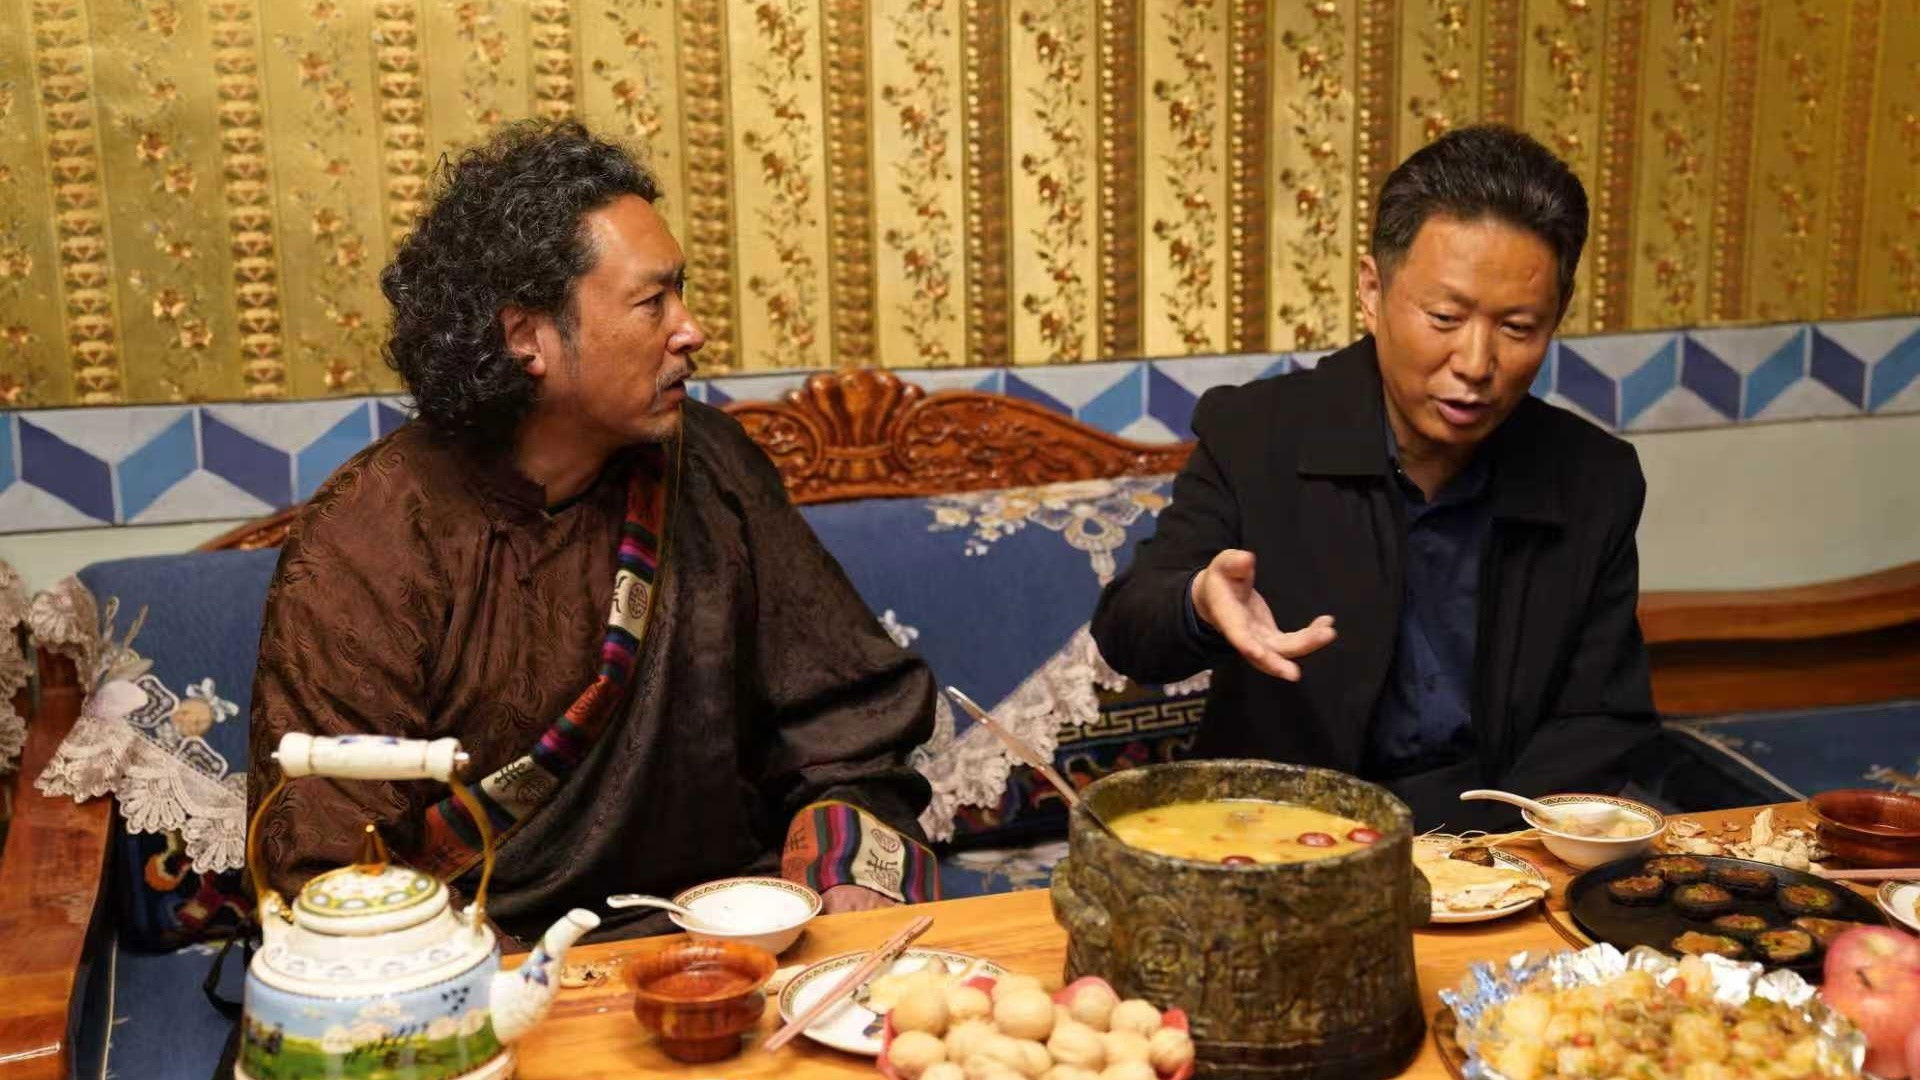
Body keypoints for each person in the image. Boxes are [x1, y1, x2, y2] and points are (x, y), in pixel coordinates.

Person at [246, 121, 937, 942]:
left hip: (726, 935)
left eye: (681, 293)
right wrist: (519, 989)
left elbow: (846, 729)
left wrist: (845, 875)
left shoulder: (710, 464)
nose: (690, 329)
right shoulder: (370, 541)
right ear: (526, 338)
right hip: (487, 961)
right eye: (653, 302)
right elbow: (330, 862)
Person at [1091, 125, 1657, 831]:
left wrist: (1490, 849)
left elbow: (1603, 717)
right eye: (1445, 317)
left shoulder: (1594, 479)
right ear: (1371, 289)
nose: (1475, 363)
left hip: (1494, 838)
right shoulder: (1257, 434)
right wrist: (1199, 601)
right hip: (1283, 837)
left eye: (1518, 328)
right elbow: (1128, 628)